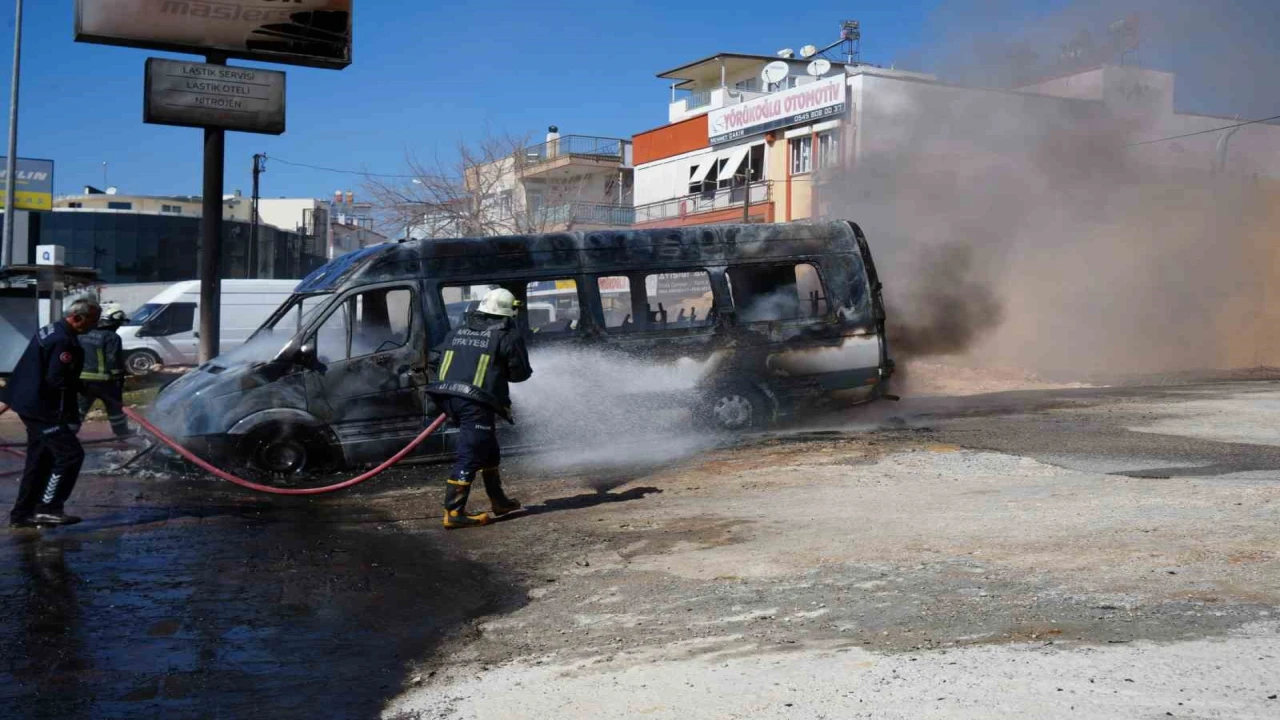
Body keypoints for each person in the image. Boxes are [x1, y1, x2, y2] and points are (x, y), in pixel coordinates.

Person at [426, 288, 533, 529]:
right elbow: (520, 374)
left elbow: (434, 360)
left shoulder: (457, 331)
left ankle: (499, 501)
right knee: (471, 452)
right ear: (508, 311)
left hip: (447, 396)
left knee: (488, 448)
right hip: (475, 401)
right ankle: (454, 512)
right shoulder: (506, 335)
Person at [5, 299, 101, 528]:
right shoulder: (63, 341)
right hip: (42, 408)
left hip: (29, 403)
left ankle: (22, 515)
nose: (94, 325)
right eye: (92, 320)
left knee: (39, 460)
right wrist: (80, 388)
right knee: (70, 455)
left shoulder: (52, 331)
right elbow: (56, 379)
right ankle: (48, 508)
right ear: (77, 317)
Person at [77, 308, 131, 438]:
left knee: (79, 410)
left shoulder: (83, 334)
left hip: (83, 382)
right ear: (113, 323)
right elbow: (114, 362)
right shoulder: (112, 337)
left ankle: (66, 436)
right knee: (115, 411)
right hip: (106, 382)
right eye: (118, 324)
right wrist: (120, 380)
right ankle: (122, 435)